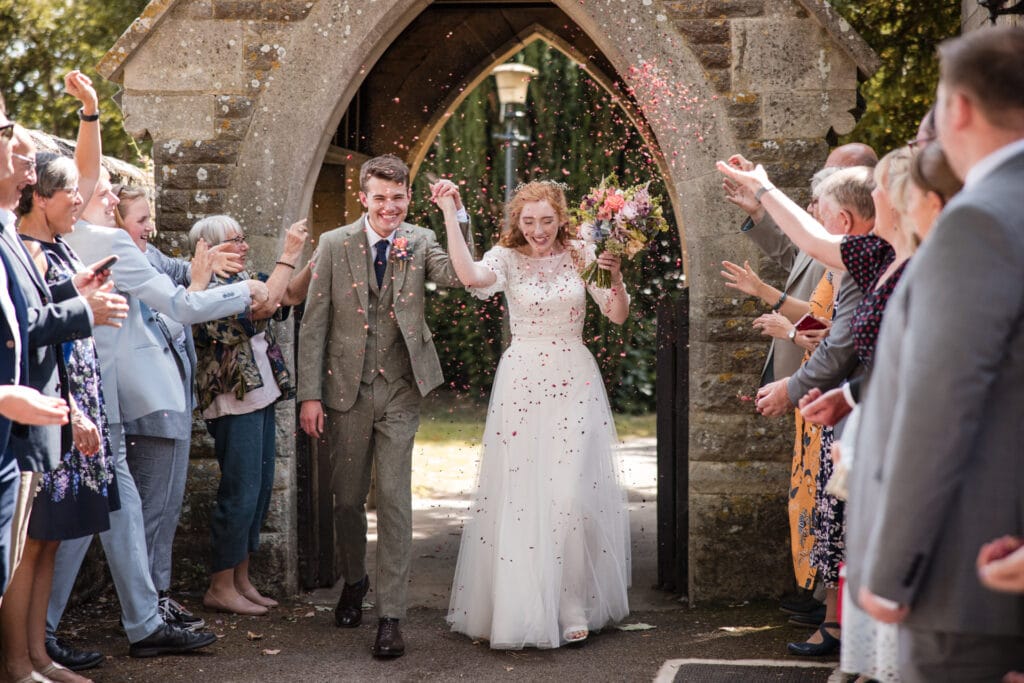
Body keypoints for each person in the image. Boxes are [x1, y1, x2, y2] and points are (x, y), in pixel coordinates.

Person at [848, 26, 1024, 680]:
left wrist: (892, 569)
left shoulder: (978, 221)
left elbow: (939, 408)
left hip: (970, 574)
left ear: (960, 109)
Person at [51, 160, 261, 661]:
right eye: (102, 192)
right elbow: (181, 305)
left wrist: (90, 116)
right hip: (84, 402)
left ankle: (142, 623)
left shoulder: (82, 238)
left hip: (104, 404)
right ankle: (42, 632)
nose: (106, 199)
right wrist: (244, 291)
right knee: (85, 524)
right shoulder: (102, 240)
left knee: (115, 516)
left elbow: (175, 277)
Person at [440, 180, 631, 648]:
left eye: (547, 220)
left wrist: (616, 277)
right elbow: (470, 277)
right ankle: (523, 603)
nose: (538, 230)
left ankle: (570, 602)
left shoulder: (583, 252)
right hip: (522, 380)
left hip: (573, 376)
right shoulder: (505, 258)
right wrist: (449, 212)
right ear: (517, 221)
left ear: (561, 218)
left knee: (568, 493)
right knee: (524, 493)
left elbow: (616, 314)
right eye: (529, 221)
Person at [297, 154, 471, 659]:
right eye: (380, 197)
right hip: (345, 390)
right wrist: (310, 394)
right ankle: (355, 580)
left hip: (399, 387)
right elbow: (313, 323)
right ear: (363, 198)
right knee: (347, 500)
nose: (389, 206)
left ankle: (391, 617)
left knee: (395, 499)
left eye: (398, 197)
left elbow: (459, 275)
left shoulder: (421, 240)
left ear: (409, 198)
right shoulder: (334, 244)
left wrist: (455, 215)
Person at [716, 159, 884, 657]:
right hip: (835, 397)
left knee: (845, 517)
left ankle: (848, 627)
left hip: (847, 402)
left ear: (844, 221)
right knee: (830, 515)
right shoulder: (859, 255)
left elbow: (840, 341)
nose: (814, 218)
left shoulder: (864, 257)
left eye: (821, 212)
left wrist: (791, 378)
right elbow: (815, 288)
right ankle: (838, 620)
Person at [4, 153, 121, 683]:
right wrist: (82, 308)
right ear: (39, 196)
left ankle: (39, 656)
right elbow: (25, 330)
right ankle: (18, 663)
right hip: (42, 408)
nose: (80, 198)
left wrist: (77, 288)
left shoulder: (48, 245)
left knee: (49, 540)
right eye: (69, 191)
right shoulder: (18, 245)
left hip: (65, 406)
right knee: (30, 543)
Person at [113, 184, 237, 631]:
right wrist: (200, 284)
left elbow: (179, 270)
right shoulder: (117, 263)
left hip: (173, 401)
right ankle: (148, 606)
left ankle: (156, 598)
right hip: (150, 404)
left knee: (166, 509)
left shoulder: (147, 255)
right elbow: (162, 324)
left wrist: (208, 265)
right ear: (116, 222)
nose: (151, 227)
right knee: (152, 510)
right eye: (141, 220)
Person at [190, 214, 312, 617]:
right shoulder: (209, 290)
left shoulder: (244, 278)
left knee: (257, 494)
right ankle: (220, 586)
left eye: (243, 238)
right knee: (239, 494)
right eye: (234, 240)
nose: (243, 246)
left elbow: (287, 295)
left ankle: (241, 581)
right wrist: (289, 253)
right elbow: (264, 306)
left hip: (260, 397)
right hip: (232, 403)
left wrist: (318, 260)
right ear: (208, 249)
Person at [800, 142, 963, 428]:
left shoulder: (925, 266)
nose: (873, 194)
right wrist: (850, 396)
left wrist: (762, 189)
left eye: (881, 188)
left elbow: (928, 368)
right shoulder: (888, 257)